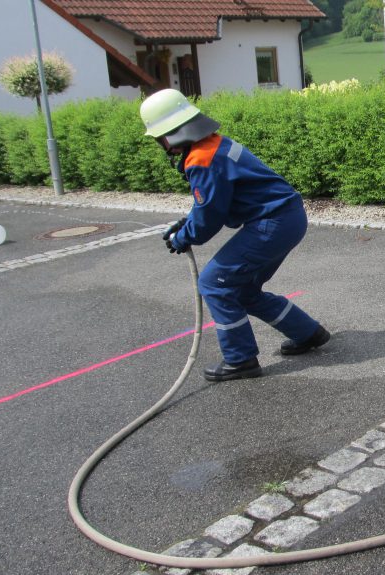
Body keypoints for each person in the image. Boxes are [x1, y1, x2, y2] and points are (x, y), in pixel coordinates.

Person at [139, 89, 330, 382]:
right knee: (242, 290)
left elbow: (209, 217)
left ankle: (241, 360)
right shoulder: (211, 144)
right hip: (286, 217)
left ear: (169, 135)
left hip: (272, 223)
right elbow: (213, 201)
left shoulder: (201, 159)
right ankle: (307, 332)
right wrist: (187, 222)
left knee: (213, 283)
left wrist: (184, 236)